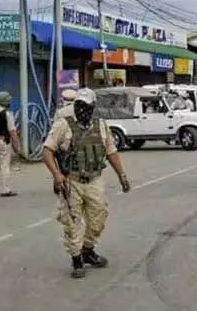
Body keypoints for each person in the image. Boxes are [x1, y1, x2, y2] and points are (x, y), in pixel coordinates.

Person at [42, 88, 131, 278]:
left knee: (98, 218)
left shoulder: (100, 125)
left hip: (94, 180)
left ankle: (87, 249)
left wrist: (122, 175)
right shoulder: (63, 125)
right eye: (79, 105)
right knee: (72, 222)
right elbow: (47, 150)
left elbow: (111, 152)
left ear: (93, 107)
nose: (82, 110)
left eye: (86, 106)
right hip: (71, 181)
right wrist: (57, 175)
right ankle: (76, 260)